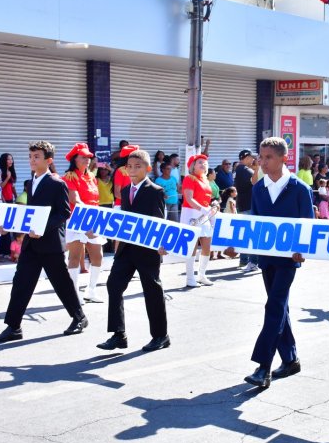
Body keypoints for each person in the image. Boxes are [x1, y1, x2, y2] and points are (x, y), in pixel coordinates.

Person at [224, 137, 313, 388]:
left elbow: (309, 226)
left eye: (267, 157)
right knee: (280, 308)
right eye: (260, 157)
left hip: (288, 262)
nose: (261, 162)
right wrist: (236, 247)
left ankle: (263, 367)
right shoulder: (259, 188)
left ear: (284, 158)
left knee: (273, 306)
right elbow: (255, 225)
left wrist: (301, 250)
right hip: (267, 259)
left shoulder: (299, 189)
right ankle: (291, 359)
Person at [0, 141, 88, 343]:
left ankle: (79, 317)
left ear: (49, 161)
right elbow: (28, 214)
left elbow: (63, 213)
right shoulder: (29, 182)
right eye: (31, 156)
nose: (32, 160)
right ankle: (13, 326)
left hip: (50, 244)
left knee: (61, 283)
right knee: (21, 283)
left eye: (37, 157)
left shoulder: (57, 183)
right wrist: (9, 225)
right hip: (31, 244)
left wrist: (41, 229)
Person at [96, 149, 171, 353]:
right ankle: (118, 334)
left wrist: (162, 243)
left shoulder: (155, 190)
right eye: (129, 166)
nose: (132, 170)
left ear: (147, 168)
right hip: (127, 249)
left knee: (152, 290)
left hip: (147, 250)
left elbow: (159, 219)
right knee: (114, 285)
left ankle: (160, 335)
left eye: (138, 166)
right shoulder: (126, 190)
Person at [63, 143, 106, 303]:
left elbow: (95, 199)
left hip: (93, 219)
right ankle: (73, 294)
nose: (87, 160)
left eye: (89, 157)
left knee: (97, 256)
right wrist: (89, 215)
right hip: (77, 219)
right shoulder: (69, 177)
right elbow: (74, 199)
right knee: (74, 256)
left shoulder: (91, 177)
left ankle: (91, 291)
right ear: (75, 159)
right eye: (83, 157)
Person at [181, 154, 215, 287]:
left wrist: (213, 204)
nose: (203, 164)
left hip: (204, 213)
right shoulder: (189, 178)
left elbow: (207, 198)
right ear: (193, 166)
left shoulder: (206, 180)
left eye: (205, 163)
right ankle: (190, 278)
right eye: (199, 162)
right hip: (191, 213)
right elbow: (189, 198)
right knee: (192, 246)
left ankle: (202, 275)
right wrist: (203, 209)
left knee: (207, 245)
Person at [235, 148, 260, 272]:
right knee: (251, 234)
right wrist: (256, 169)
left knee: (244, 234)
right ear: (246, 157)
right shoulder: (245, 170)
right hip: (249, 205)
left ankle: (243, 260)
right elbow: (255, 182)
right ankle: (253, 262)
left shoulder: (239, 169)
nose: (254, 159)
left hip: (242, 204)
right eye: (251, 157)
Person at [0, 153, 17, 259]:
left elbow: (11, 186)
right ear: (4, 160)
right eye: (8, 159)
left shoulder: (11, 171)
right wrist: (7, 177)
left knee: (9, 225)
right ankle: (1, 251)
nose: (10, 161)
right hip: (2, 201)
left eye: (11, 159)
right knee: (2, 227)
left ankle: (7, 251)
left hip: (10, 199)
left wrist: (15, 196)